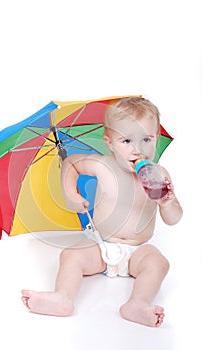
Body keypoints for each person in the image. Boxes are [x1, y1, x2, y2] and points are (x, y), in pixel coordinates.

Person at [21, 97, 183, 327]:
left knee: (159, 264)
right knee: (70, 255)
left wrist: (168, 203)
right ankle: (63, 297)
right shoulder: (102, 165)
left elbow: (174, 219)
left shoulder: (159, 175)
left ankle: (137, 303)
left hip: (138, 250)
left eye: (146, 139)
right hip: (100, 244)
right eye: (126, 140)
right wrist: (71, 195)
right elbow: (71, 165)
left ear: (156, 137)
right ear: (109, 142)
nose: (138, 149)